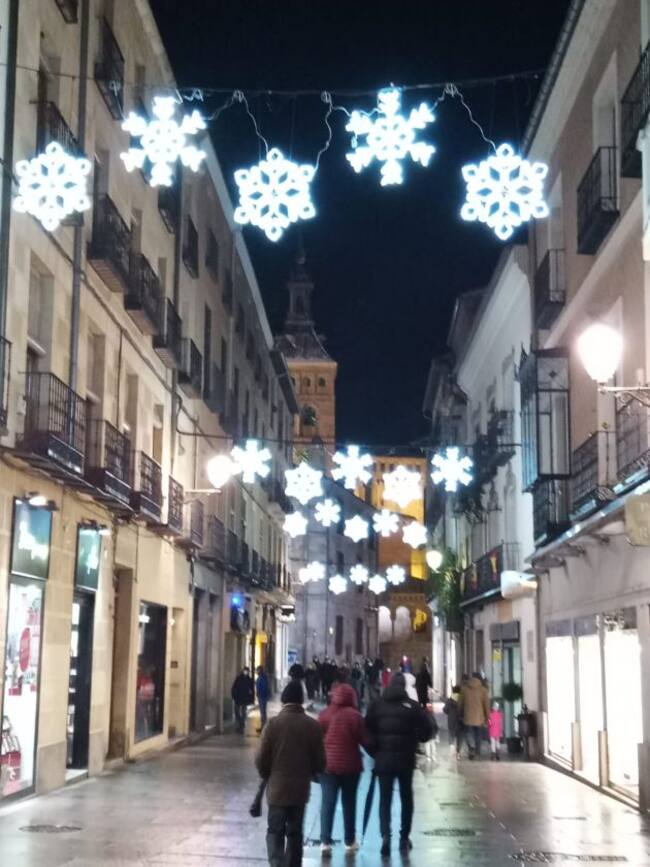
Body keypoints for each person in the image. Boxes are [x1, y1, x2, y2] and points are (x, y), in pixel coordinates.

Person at [365, 671, 437, 857]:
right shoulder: (412, 707)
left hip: (383, 761)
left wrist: (375, 752)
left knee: (385, 799)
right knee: (406, 798)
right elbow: (427, 731)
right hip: (406, 760)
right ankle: (404, 837)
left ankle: (385, 836)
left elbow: (366, 732)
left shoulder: (377, 705)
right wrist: (417, 739)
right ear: (404, 687)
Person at [256, 680, 326, 867]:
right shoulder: (313, 726)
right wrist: (311, 771)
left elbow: (261, 759)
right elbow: (320, 762)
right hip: (300, 791)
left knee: (275, 831)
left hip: (277, 790)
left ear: (284, 699)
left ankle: (277, 863)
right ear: (301, 700)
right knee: (295, 834)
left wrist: (268, 773)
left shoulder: (272, 725)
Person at [318, 682, 368, 856]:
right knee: (349, 803)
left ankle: (325, 842)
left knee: (327, 802)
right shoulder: (356, 717)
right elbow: (366, 740)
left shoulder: (324, 714)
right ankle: (349, 840)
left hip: (327, 766)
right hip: (350, 767)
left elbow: (317, 739)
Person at [459, 672, 490, 759]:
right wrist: (488, 717)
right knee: (478, 735)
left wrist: (460, 713)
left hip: (467, 716)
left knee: (469, 733)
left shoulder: (464, 689)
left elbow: (460, 703)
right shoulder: (483, 690)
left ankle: (471, 748)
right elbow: (486, 705)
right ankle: (477, 751)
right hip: (479, 717)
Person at [231, 666, 255, 734]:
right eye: (245, 671)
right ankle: (241, 723)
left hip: (245, 699)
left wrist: (251, 699)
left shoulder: (249, 680)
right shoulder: (239, 679)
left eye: (247, 671)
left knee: (243, 712)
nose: (246, 672)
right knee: (237, 711)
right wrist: (234, 696)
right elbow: (234, 688)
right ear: (243, 671)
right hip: (238, 698)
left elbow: (252, 690)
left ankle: (241, 724)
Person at [443, 684, 462, 759]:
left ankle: (451, 748)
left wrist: (449, 713)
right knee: (459, 737)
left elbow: (445, 709)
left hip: (451, 720)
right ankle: (458, 752)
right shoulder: (461, 699)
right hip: (459, 721)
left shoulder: (450, 700)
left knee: (451, 735)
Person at [256, 666, 270, 733]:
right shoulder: (261, 677)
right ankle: (263, 727)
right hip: (261, 697)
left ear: (261, 670)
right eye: (257, 670)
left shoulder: (263, 678)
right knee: (262, 713)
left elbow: (264, 688)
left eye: (258, 670)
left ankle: (264, 728)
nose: (257, 671)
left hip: (262, 697)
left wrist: (261, 695)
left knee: (263, 713)